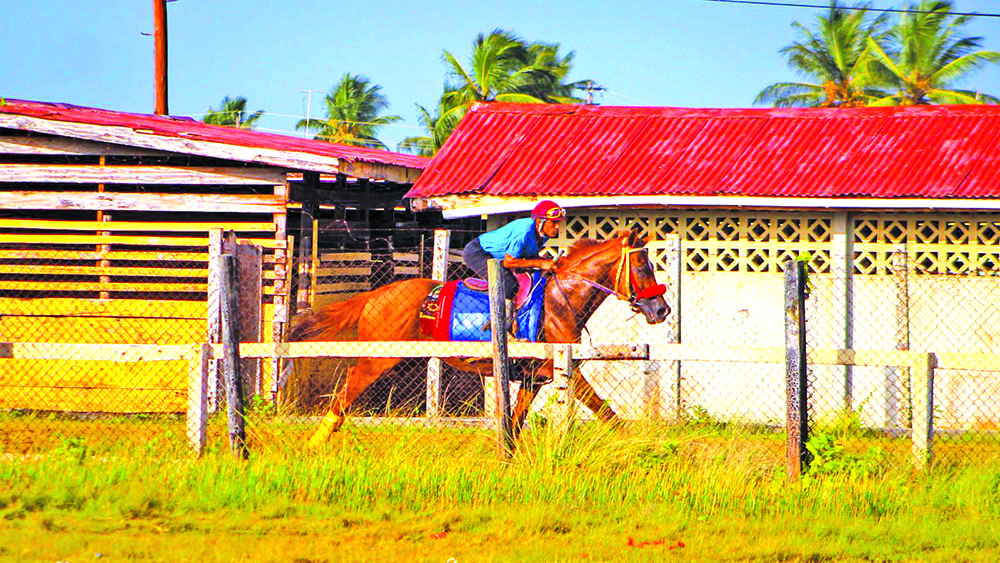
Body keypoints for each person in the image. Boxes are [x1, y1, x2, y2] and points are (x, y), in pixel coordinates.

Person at [462, 200, 566, 302]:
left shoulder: (543, 234)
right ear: (539, 221)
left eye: (559, 222)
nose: (557, 226)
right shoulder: (524, 231)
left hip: (499, 257)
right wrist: (540, 263)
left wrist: (547, 262)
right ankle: (496, 312)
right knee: (507, 283)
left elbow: (530, 255)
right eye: (553, 222)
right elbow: (508, 262)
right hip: (478, 252)